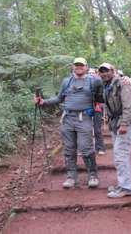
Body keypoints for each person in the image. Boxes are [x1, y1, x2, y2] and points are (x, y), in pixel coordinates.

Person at [34, 57, 104, 188]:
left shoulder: (94, 81)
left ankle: (93, 175)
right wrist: (43, 102)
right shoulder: (67, 81)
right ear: (72, 67)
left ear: (87, 67)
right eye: (76, 65)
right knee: (69, 149)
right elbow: (59, 98)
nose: (79, 67)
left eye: (81, 65)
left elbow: (103, 94)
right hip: (68, 118)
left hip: (84, 118)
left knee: (86, 148)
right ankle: (71, 177)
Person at [98, 63, 131, 198]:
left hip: (125, 123)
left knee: (121, 154)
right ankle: (123, 184)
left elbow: (129, 106)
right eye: (102, 71)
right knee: (119, 155)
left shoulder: (123, 83)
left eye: (107, 71)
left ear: (113, 71)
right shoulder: (107, 85)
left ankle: (127, 187)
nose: (104, 73)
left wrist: (124, 124)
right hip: (116, 123)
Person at [88, 68, 106, 155]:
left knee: (97, 129)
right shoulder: (84, 83)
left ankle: (100, 147)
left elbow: (102, 97)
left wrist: (99, 104)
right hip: (86, 109)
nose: (91, 75)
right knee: (85, 130)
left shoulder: (100, 82)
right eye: (89, 73)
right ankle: (87, 148)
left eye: (92, 73)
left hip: (97, 108)